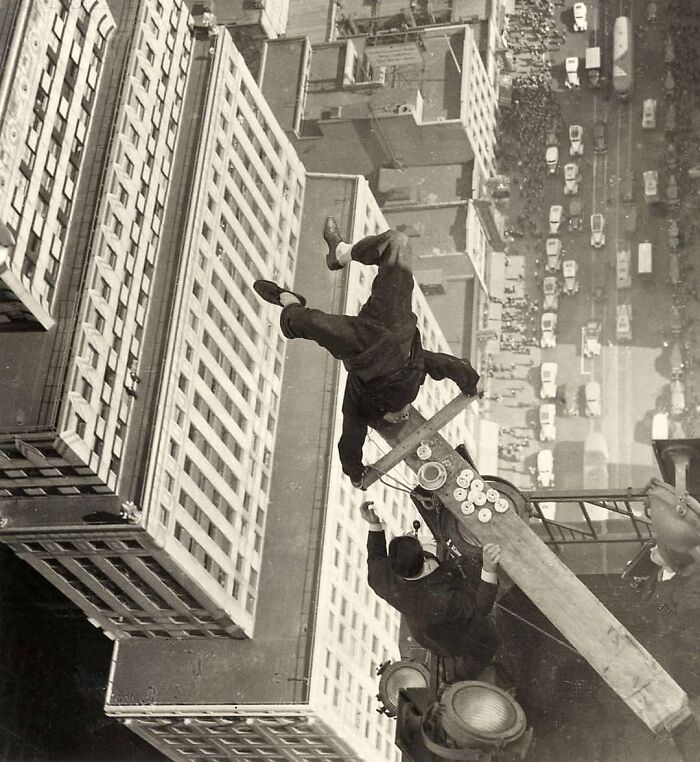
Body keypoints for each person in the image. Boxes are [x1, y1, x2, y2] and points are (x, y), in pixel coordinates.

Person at [253, 219, 481, 488]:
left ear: (381, 419)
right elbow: (445, 365)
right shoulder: (416, 375)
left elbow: (350, 438)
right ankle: (341, 253)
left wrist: (355, 472)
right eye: (405, 417)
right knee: (396, 243)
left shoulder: (360, 405)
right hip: (394, 320)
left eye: (395, 421)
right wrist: (470, 382)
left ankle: (287, 300)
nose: (401, 416)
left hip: (362, 346)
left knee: (311, 323)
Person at [360, 500, 502, 680]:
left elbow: (376, 557)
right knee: (490, 638)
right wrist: (489, 569)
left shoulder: (381, 579)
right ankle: (464, 672)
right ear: (423, 558)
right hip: (451, 636)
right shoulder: (442, 600)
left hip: (424, 629)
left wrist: (374, 524)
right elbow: (481, 607)